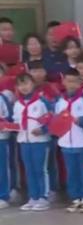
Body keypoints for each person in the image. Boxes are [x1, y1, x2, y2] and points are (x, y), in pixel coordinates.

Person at [54, 69, 83, 213]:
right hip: (66, 143)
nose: (71, 84)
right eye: (68, 81)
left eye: (74, 81)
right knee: (71, 172)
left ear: (80, 83)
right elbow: (55, 120)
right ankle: (75, 198)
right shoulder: (60, 101)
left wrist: (82, 121)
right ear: (63, 82)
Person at [12, 73, 52, 211]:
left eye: (26, 83)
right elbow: (16, 121)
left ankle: (43, 197)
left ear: (33, 84)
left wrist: (43, 129)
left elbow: (52, 118)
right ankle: (33, 196)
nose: (23, 87)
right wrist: (11, 126)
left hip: (39, 141)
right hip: (24, 141)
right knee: (29, 170)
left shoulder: (41, 101)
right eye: (20, 84)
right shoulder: (17, 104)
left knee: (40, 169)